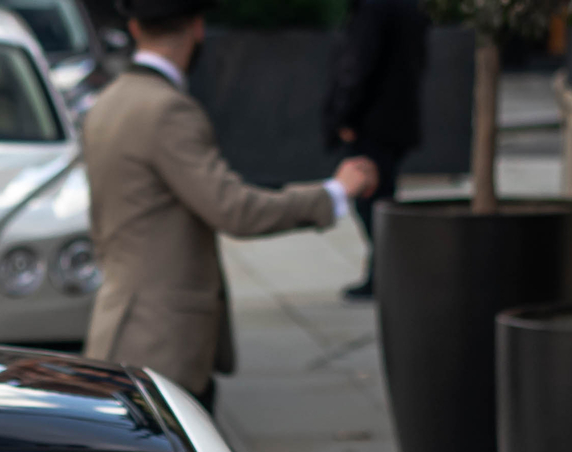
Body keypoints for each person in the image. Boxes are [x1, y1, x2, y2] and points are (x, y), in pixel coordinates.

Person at [80, 0, 374, 405]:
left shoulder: (108, 102)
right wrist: (334, 193)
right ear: (197, 28)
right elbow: (234, 209)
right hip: (161, 342)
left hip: (119, 328)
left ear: (134, 28)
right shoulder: (167, 109)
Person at [324, 0, 426, 298]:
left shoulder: (374, 9)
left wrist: (344, 115)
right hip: (394, 117)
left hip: (373, 121)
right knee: (379, 198)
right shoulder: (404, 7)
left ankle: (387, 272)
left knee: (372, 199)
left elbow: (359, 64)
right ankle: (384, 271)